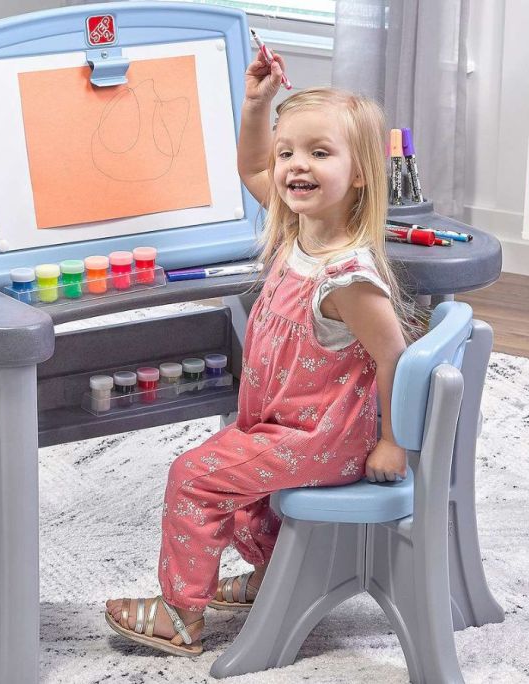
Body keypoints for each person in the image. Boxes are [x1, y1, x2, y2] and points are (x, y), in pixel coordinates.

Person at [105, 53, 414, 656]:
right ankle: (279, 579)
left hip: (323, 436)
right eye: (288, 152)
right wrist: (256, 106)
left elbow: (395, 357)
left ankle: (180, 614)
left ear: (360, 175)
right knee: (247, 502)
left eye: (320, 153)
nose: (296, 165)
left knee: (194, 476)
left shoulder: (347, 275)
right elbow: (250, 161)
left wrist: (392, 441)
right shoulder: (299, 228)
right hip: (285, 419)